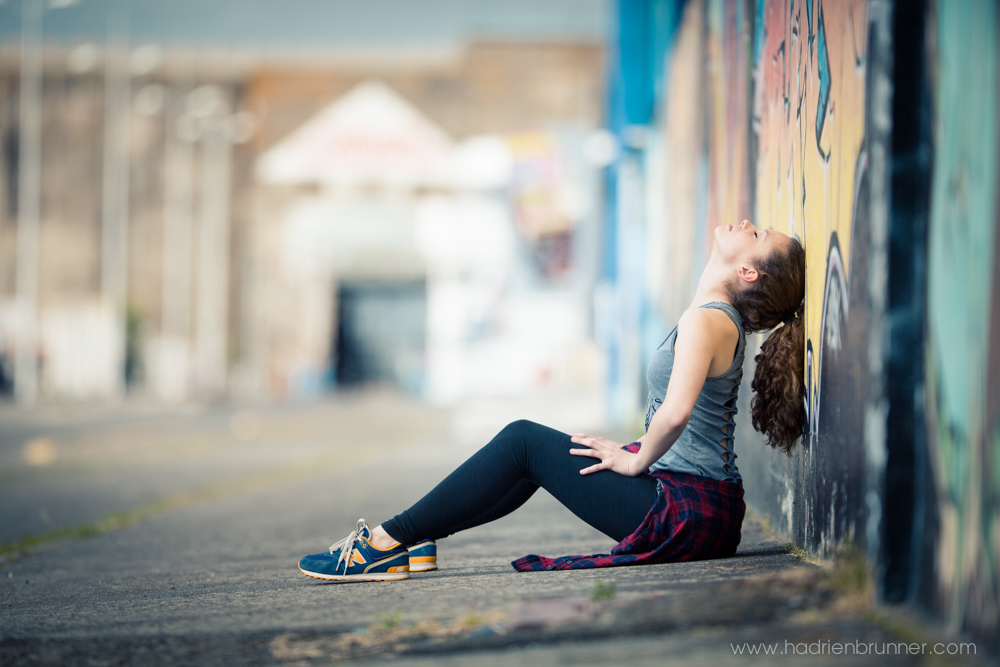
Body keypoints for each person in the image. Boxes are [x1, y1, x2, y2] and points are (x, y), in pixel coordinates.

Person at [298, 219, 807, 581]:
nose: (746, 223)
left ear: (748, 274)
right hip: (700, 506)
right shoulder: (713, 316)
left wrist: (634, 464)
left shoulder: (709, 319)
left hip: (687, 510)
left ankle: (383, 544)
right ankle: (413, 538)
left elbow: (675, 414)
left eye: (757, 234)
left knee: (523, 442)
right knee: (530, 459)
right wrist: (635, 454)